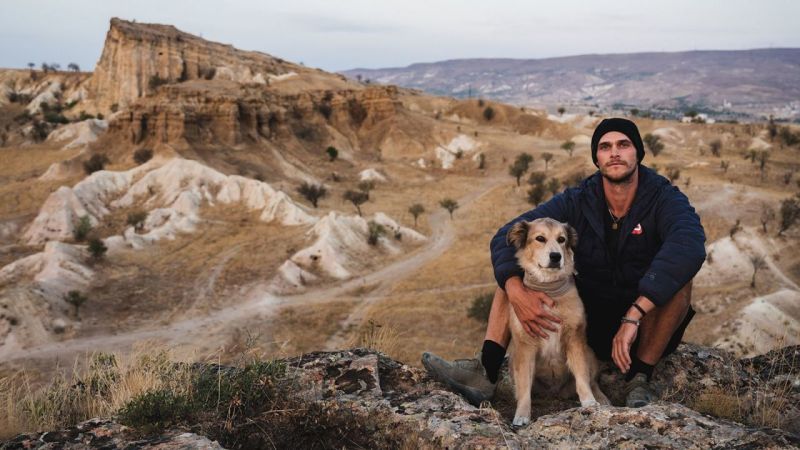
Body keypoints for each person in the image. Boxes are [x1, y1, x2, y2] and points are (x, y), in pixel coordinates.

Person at [422, 118, 706, 408]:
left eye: (624, 145)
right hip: (586, 325)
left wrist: (635, 314)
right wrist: (517, 293)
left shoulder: (664, 198)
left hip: (643, 326)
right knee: (516, 269)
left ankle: (640, 379)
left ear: (638, 153)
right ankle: (487, 371)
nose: (615, 153)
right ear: (597, 157)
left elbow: (690, 246)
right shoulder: (578, 200)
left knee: (680, 279)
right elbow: (505, 237)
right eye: (605, 147)